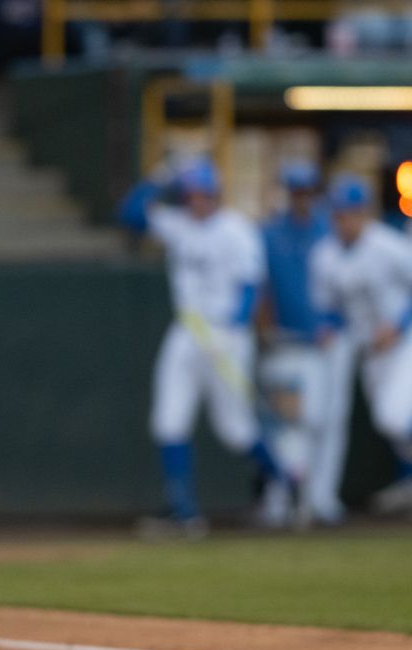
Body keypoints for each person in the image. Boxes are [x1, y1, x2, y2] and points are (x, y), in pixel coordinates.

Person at [120, 157, 289, 535]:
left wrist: (232, 330)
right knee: (168, 420)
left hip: (227, 334)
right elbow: (130, 214)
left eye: (204, 194)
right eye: (192, 194)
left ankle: (282, 483)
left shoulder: (236, 230)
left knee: (235, 429)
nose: (198, 201)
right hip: (187, 331)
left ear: (216, 195)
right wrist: (160, 176)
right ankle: (184, 513)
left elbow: (250, 286)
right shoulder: (178, 225)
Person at [310, 175, 412, 514]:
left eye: (349, 213)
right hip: (370, 351)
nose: (343, 221)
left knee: (394, 418)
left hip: (404, 342)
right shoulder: (325, 254)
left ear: (364, 213)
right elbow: (331, 308)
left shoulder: (388, 245)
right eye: (338, 214)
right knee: (390, 425)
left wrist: (398, 325)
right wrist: (327, 327)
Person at [256, 161, 334, 525]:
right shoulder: (270, 233)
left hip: (320, 343)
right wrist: (263, 324)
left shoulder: (327, 230)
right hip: (281, 341)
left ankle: (315, 499)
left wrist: (332, 324)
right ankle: (278, 500)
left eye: (306, 190)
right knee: (279, 424)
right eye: (295, 190)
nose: (301, 197)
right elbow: (259, 287)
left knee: (316, 421)